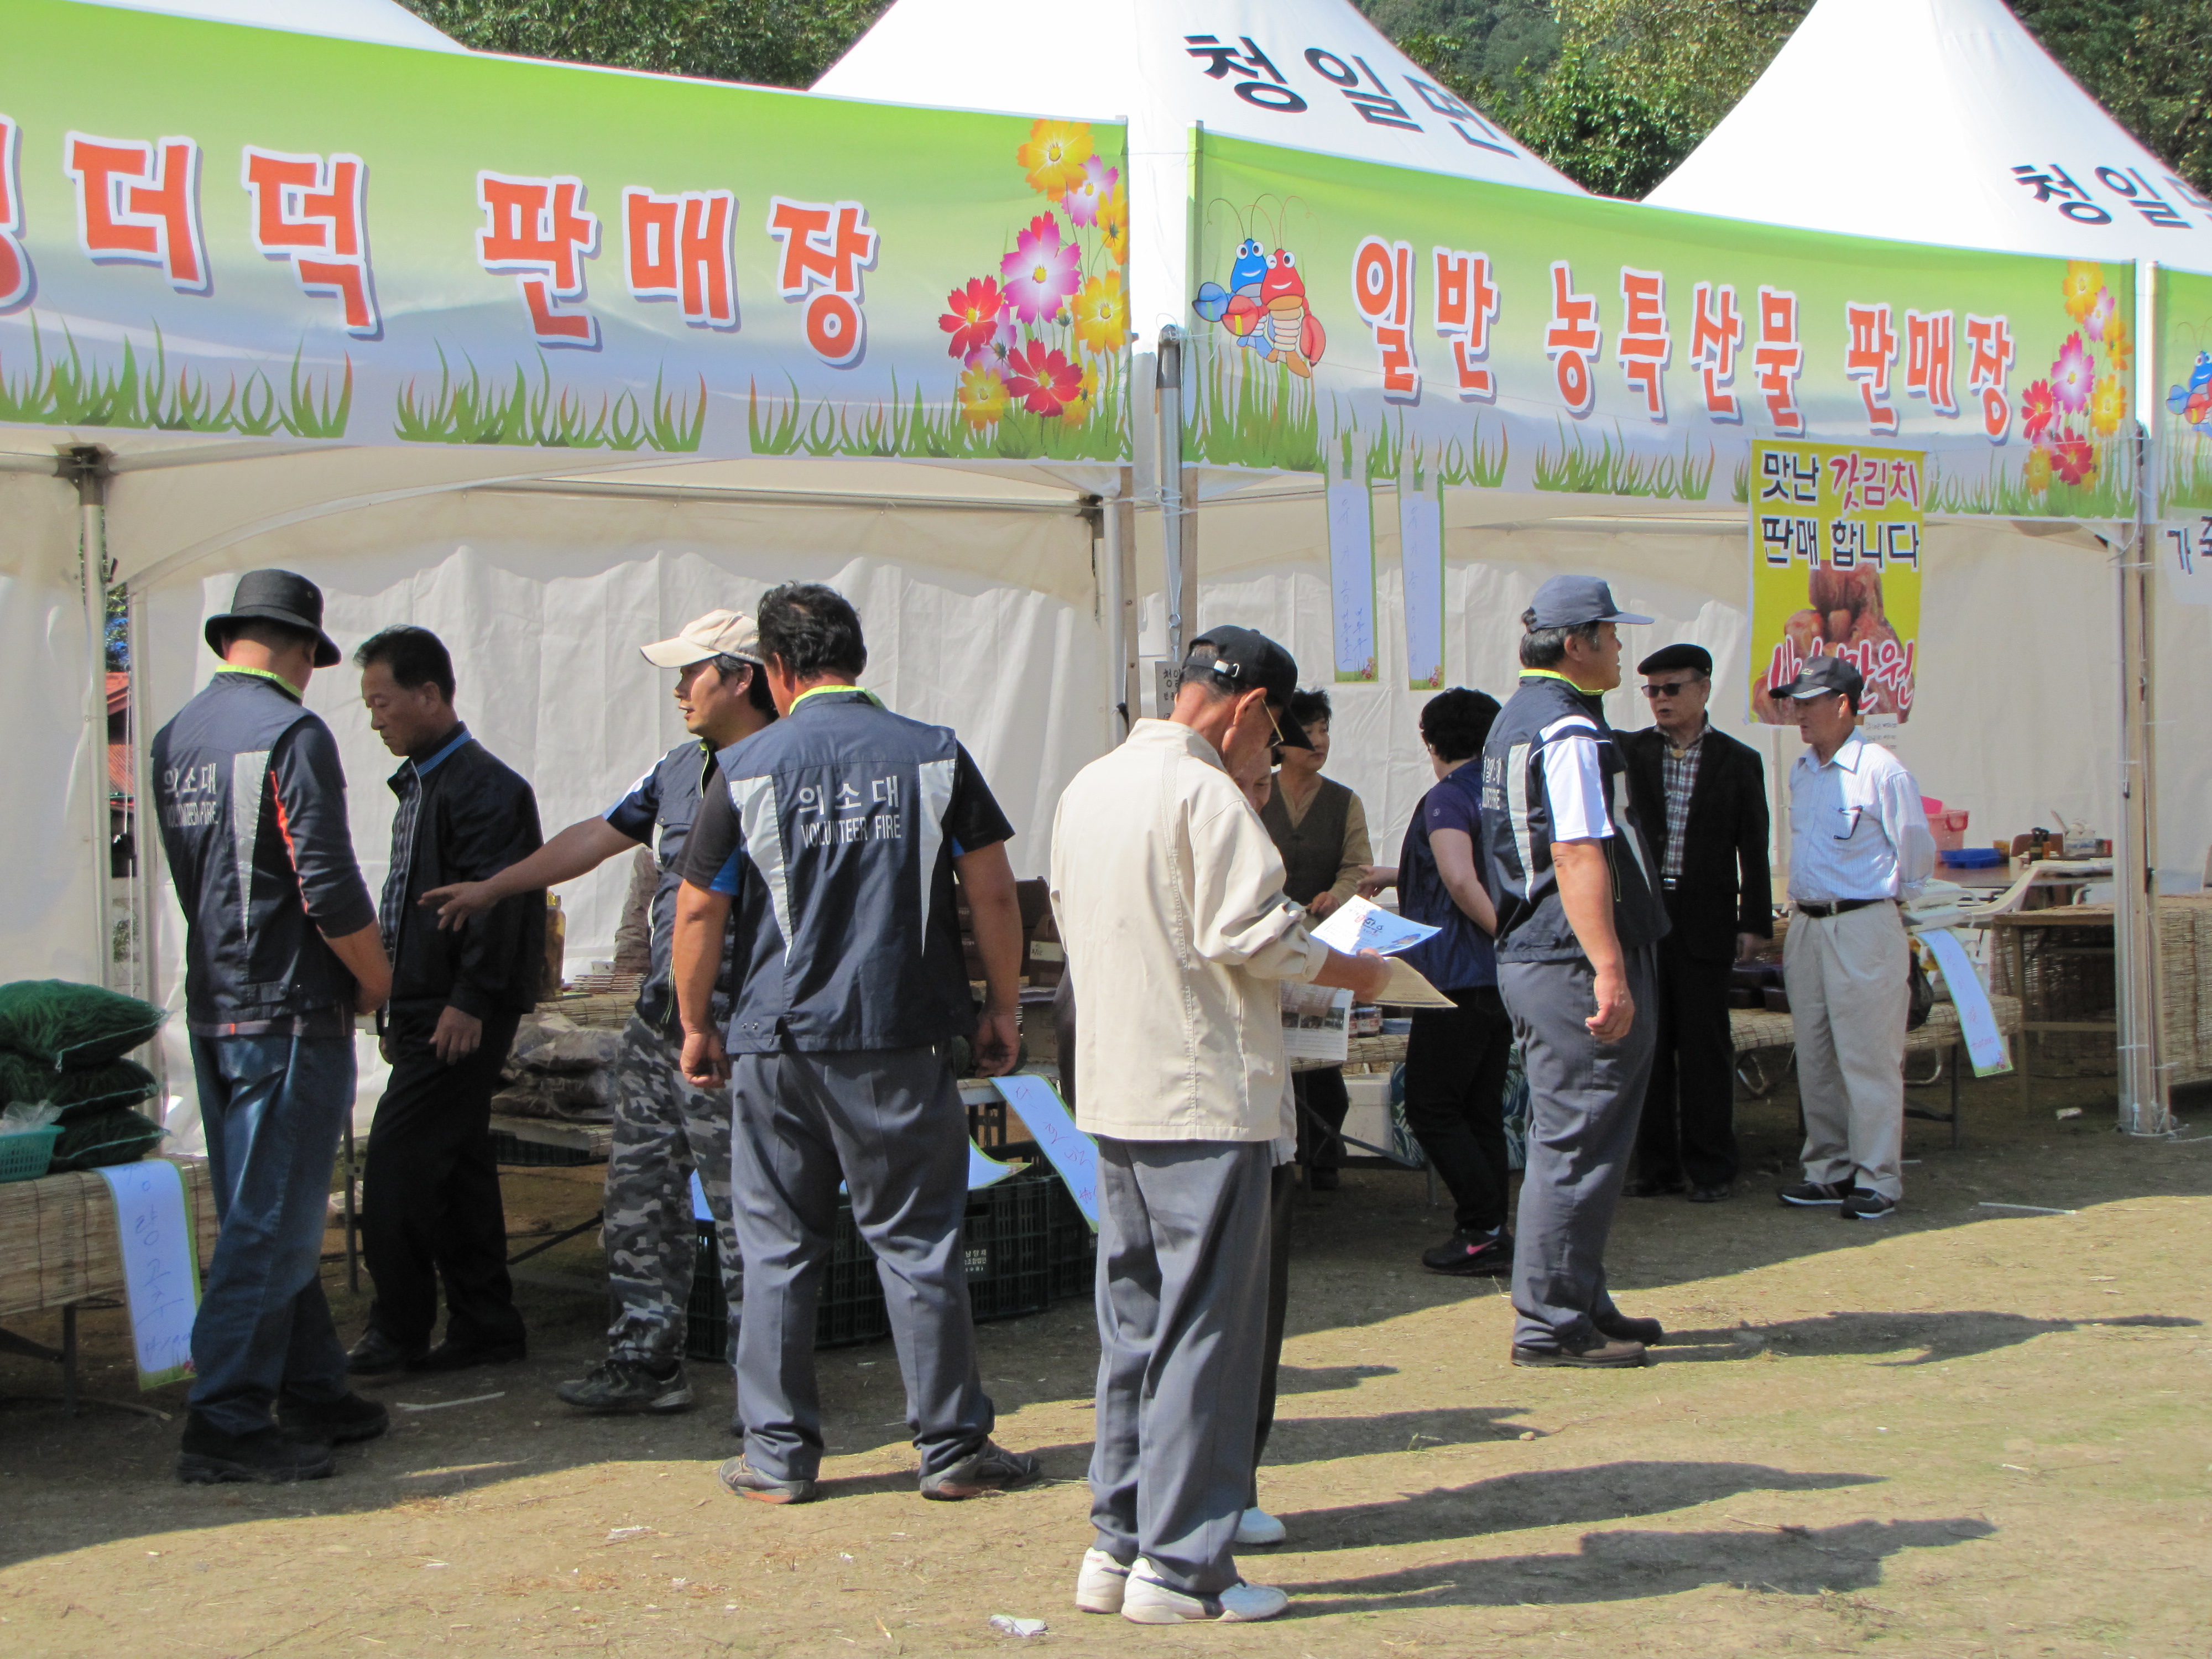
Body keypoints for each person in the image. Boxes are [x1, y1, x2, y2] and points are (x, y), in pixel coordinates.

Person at [1052, 627, 1392, 1625]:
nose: (1271, 757)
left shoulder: (1090, 786)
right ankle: (1183, 1565)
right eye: (1274, 735)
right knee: (1206, 1333)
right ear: (1250, 710)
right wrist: (1362, 973)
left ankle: (1119, 1542)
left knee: (1135, 1325)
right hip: (1204, 1098)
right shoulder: (1202, 794)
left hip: (1118, 1089)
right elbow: (1254, 934)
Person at [672, 582, 1037, 1506]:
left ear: (776, 670)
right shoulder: (935, 752)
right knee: (917, 1242)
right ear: (857, 659)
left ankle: (777, 1457)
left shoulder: (742, 767)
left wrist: (696, 1023)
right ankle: (951, 1450)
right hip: (896, 1039)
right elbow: (994, 892)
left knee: (777, 1247)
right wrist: (1002, 1006)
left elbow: (698, 910)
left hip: (776, 1042)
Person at [419, 610, 778, 1413]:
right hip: (661, 1023)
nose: (678, 690)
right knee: (639, 1195)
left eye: (692, 673)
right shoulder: (678, 768)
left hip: (741, 1028)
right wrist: (496, 888)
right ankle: (645, 1364)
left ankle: (767, 1393)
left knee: (746, 1210)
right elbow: (600, 835)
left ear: (742, 678)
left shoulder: (787, 766)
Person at [151, 571, 395, 1484]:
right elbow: (324, 881)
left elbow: (195, 875)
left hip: (217, 1001)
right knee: (274, 1226)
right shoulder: (291, 734)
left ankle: (312, 1385)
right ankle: (225, 1418)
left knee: (264, 1208)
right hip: (289, 1009)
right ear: (300, 651)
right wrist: (376, 977)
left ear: (231, 639)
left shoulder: (177, 736)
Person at [1480, 577, 1671, 1369]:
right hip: (1568, 955)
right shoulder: (1564, 729)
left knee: (1582, 1138)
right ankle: (1551, 1322)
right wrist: (1609, 968)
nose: (1620, 647)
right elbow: (1575, 851)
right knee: (1577, 1142)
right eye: (1610, 633)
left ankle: (1578, 1296)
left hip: (1546, 952)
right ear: (1575, 643)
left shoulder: (1518, 719)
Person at [345, 627, 544, 1376]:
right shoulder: (423, 782)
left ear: (429, 695)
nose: (375, 720)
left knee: (396, 1168)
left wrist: (471, 999)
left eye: (382, 702)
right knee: (457, 1167)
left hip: (456, 1011)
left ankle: (397, 1329)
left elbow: (500, 901)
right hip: (425, 1004)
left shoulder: (484, 787)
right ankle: (486, 1323)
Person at [1358, 688, 1515, 1277]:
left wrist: (1502, 933)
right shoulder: (1497, 791)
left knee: (1431, 1106)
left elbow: (1458, 876)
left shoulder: (1446, 796)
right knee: (1480, 1108)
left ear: (1430, 742)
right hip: (1495, 980)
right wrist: (1396, 872)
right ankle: (1493, 1226)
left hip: (1456, 976)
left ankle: (1482, 1227)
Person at [1776, 655, 1935, 1222]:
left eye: (1809, 703)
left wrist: (1882, 907)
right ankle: (1828, 1168)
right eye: (1794, 703)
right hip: (1808, 922)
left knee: (1868, 1055)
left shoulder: (1881, 770)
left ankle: (1877, 1177)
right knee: (1816, 1054)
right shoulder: (1802, 770)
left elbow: (1915, 854)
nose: (1798, 714)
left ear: (1842, 705)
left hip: (1863, 920)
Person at [1621, 644, 1772, 1203]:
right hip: (1646, 913)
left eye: (1671, 688)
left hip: (1706, 915)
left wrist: (1754, 920)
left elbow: (1754, 847)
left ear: (1703, 688)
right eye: (1652, 690)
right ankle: (1655, 1166)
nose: (1660, 700)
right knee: (1649, 1044)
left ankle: (1711, 1166)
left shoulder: (1738, 760)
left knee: (1705, 1044)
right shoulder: (1630, 752)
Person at [1259, 688, 1373, 1190]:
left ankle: (1324, 1160)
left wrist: (1339, 894)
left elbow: (1358, 866)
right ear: (1281, 742)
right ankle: (1278, 1162)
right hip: (1265, 943)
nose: (1320, 741)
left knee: (1321, 1062)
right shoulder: (1255, 793)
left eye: (1325, 730)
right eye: (1309, 732)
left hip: (1323, 944)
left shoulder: (1345, 801)